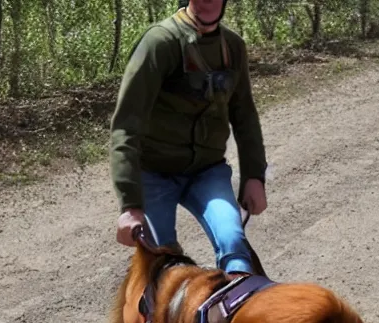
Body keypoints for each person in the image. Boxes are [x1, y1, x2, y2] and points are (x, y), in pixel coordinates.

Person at [110, 0, 268, 274]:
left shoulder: (232, 46)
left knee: (234, 242)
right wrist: (130, 204)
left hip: (207, 172)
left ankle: (234, 312)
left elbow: (245, 117)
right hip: (154, 173)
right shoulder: (160, 43)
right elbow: (126, 125)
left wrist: (254, 176)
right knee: (161, 264)